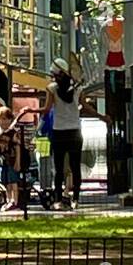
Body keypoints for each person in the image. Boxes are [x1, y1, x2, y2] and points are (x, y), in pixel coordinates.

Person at [40, 57, 95, 210]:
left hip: (58, 132)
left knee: (58, 169)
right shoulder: (78, 89)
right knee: (75, 167)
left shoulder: (51, 88)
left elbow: (46, 109)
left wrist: (29, 111)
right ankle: (75, 199)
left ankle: (58, 200)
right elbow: (86, 107)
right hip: (75, 132)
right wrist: (102, 117)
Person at [0, 106, 28, 212]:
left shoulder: (12, 133)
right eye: (1, 119)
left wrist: (18, 162)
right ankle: (8, 200)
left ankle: (15, 201)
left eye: (6, 119)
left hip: (12, 160)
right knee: (6, 182)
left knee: (13, 181)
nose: (4, 122)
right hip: (3, 159)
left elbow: (17, 147)